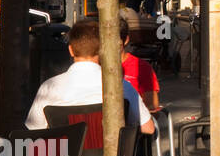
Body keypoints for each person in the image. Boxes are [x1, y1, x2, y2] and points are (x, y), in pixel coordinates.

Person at [26, 19, 155, 134]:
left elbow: (33, 129)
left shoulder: (49, 88)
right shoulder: (121, 86)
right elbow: (149, 128)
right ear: (101, 50)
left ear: (71, 50)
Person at [119, 18, 161, 114]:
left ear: (126, 40)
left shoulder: (142, 68)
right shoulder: (96, 66)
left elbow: (152, 108)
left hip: (134, 124)